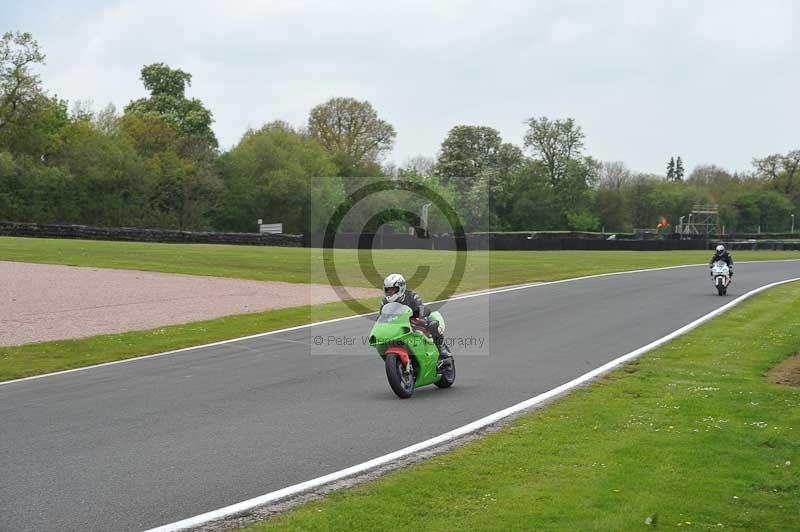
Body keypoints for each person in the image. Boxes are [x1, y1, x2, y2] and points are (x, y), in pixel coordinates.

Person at [381, 273, 452, 366]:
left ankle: (442, 349)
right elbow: (381, 317)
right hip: (397, 325)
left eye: (393, 289)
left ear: (401, 287)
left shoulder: (411, 296)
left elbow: (421, 307)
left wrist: (422, 318)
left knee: (433, 324)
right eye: (388, 289)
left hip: (415, 319)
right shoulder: (384, 302)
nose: (390, 292)